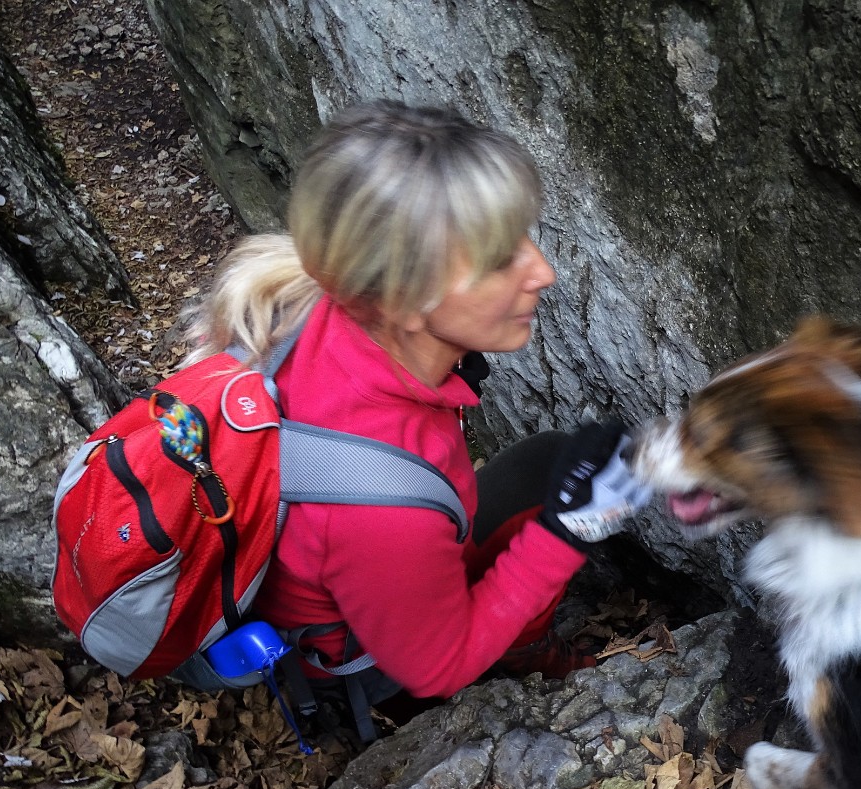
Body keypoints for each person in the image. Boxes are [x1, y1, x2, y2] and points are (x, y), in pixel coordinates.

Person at [182, 100, 648, 734]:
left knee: (546, 462)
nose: (543, 270)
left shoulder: (307, 310)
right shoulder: (378, 510)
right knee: (549, 490)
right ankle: (524, 661)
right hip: (379, 672)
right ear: (401, 298)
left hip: (337, 593)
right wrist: (569, 531)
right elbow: (439, 666)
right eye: (496, 259)